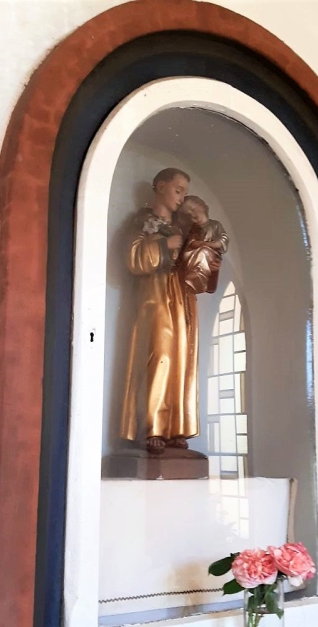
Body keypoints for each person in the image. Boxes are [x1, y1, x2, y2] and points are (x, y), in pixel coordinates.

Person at [120, 167, 199, 455]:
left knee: (181, 358)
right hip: (154, 295)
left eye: (185, 193)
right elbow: (133, 257)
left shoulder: (183, 228)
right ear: (161, 187)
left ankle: (175, 427)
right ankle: (151, 426)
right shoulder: (141, 222)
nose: (181, 198)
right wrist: (165, 246)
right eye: (178, 190)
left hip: (181, 298)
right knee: (159, 354)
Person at [178, 195, 229, 294]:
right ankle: (192, 275)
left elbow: (224, 238)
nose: (192, 215)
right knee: (189, 254)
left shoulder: (215, 225)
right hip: (194, 254)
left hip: (210, 254)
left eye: (193, 209)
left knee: (203, 251)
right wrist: (195, 243)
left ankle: (197, 274)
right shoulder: (192, 229)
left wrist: (212, 244)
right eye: (188, 215)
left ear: (202, 206)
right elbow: (190, 243)